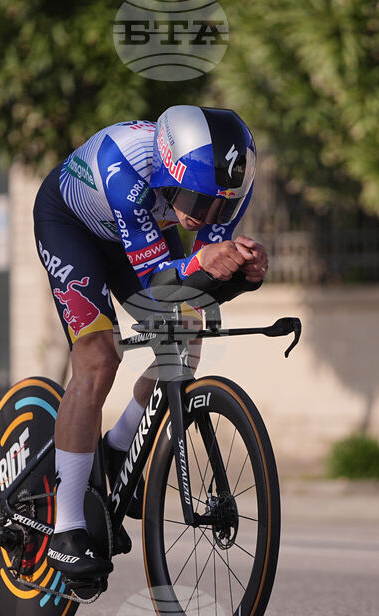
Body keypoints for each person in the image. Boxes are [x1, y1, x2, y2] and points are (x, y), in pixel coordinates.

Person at [35, 106, 268, 579]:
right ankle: (66, 526)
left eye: (220, 206)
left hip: (138, 235)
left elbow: (196, 283)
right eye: (200, 202)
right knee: (99, 359)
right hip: (73, 229)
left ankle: (119, 447)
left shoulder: (226, 183)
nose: (208, 215)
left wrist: (243, 270)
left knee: (186, 328)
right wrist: (204, 260)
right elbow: (160, 279)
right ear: (168, 171)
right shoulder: (127, 168)